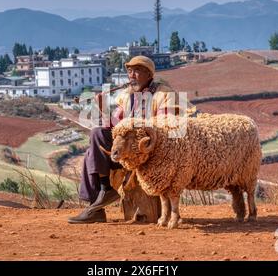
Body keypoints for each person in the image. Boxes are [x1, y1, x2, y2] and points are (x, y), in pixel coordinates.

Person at [68, 55, 196, 224]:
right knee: (96, 137)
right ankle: (103, 193)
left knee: (92, 153)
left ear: (149, 74)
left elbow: (167, 125)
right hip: (127, 148)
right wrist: (102, 109)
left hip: (150, 150)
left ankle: (99, 203)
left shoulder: (163, 93)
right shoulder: (127, 95)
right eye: (129, 71)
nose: (132, 75)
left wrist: (138, 128)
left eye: (137, 71)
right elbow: (114, 127)